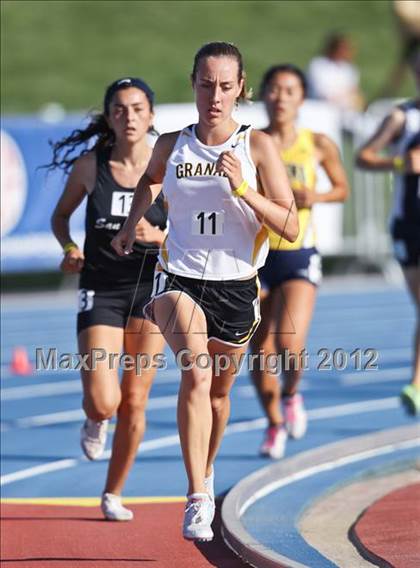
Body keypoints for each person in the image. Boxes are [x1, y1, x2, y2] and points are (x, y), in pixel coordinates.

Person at [111, 42, 299, 541]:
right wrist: (133, 224)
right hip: (179, 278)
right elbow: (151, 182)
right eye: (205, 84)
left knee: (218, 394)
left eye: (224, 86)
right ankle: (197, 495)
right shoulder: (172, 144)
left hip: (236, 287)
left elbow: (290, 226)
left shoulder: (256, 147)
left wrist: (243, 189)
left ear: (240, 88)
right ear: (192, 83)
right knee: (195, 372)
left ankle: (207, 468)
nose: (214, 96)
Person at [50, 77, 167, 520]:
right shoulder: (90, 166)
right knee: (105, 400)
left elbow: (189, 233)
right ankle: (95, 418)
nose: (130, 117)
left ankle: (113, 493)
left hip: (150, 291)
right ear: (109, 117)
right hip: (101, 289)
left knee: (135, 399)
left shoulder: (167, 166)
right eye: (120, 109)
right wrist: (69, 248)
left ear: (151, 115)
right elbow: (61, 216)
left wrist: (160, 236)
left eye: (138, 109)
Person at [250, 64, 349, 459]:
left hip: (298, 253)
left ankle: (291, 394)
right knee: (260, 349)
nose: (280, 97)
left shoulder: (317, 143)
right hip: (256, 256)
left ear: (301, 98)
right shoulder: (252, 143)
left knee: (289, 343)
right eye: (273, 89)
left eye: (289, 90)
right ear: (264, 96)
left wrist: (316, 197)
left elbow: (342, 188)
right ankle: (273, 424)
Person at [356, 51, 420, 415]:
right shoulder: (403, 117)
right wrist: (400, 162)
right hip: (410, 223)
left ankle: (415, 382)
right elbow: (364, 156)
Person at [307, 32, 364, 113]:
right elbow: (322, 93)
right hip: (321, 108)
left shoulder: (349, 69)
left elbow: (354, 91)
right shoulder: (318, 65)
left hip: (346, 110)